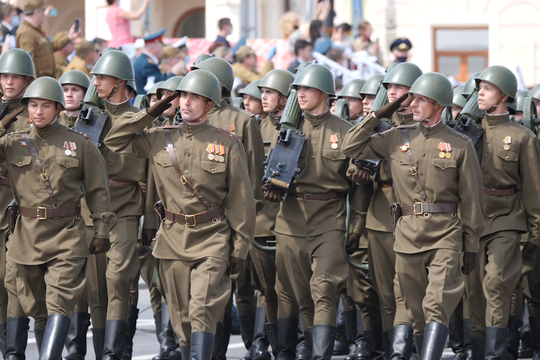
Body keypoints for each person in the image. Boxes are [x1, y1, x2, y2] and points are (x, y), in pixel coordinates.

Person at [104, 68, 255, 360]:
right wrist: (150, 112)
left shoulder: (227, 144)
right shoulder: (160, 137)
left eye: (195, 97)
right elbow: (115, 140)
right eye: (183, 95)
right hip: (172, 239)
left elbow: (241, 200)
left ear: (210, 104)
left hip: (212, 238)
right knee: (182, 317)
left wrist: (240, 247)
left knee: (202, 308)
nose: (186, 102)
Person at [342, 72, 484, 359]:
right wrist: (380, 111)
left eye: (421, 99)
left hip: (445, 233)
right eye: (413, 98)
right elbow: (350, 146)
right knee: (414, 307)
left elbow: (471, 200)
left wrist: (471, 245)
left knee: (437, 303)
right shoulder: (395, 137)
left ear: (439, 105)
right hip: (407, 235)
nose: (413, 104)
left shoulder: (459, 143)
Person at [0, 75, 113, 359]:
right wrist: (3, 120)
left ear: (59, 109)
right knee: (38, 311)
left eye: (46, 105)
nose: (38, 111)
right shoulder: (12, 143)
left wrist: (101, 230)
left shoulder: (81, 144)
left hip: (66, 236)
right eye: (32, 105)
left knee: (60, 304)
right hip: (26, 237)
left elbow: (99, 191)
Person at [263, 64, 364, 360]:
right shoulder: (288, 131)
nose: (301, 95)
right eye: (298, 90)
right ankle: (307, 349)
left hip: (329, 218)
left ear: (324, 94)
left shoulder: (346, 132)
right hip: (291, 218)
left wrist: (356, 226)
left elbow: (359, 187)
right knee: (301, 295)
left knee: (325, 288)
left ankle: (321, 355)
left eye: (307, 89)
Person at [465, 66, 540, 359]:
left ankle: (496, 354)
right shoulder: (466, 132)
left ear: (503, 96)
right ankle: (479, 350)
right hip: (472, 219)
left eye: (487, 89)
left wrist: (535, 232)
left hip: (507, 219)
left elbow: (533, 190)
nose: (480, 93)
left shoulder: (522, 138)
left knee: (496, 284)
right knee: (474, 291)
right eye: (480, 88)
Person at [90, 49, 149, 360]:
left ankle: (115, 352)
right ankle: (103, 351)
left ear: (120, 82)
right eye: (96, 77)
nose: (96, 82)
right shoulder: (89, 117)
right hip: (91, 211)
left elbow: (152, 173)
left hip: (126, 208)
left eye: (102, 77)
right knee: (96, 288)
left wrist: (150, 221)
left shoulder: (141, 118)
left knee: (118, 279)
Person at [252, 69, 295, 359]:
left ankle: (294, 346)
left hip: (291, 221)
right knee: (267, 291)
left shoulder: (299, 129)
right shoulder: (254, 128)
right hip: (259, 222)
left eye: (269, 92)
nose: (262, 97)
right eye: (262, 92)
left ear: (283, 97)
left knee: (291, 291)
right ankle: (275, 347)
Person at [0, 48, 38, 360]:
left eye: (14, 76)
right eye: (4, 76)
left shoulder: (34, 115)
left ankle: (14, 351)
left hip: (18, 203)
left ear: (27, 80)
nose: (8, 82)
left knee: (12, 280)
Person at [16, 0, 78, 78]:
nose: (44, 15)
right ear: (36, 12)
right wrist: (32, 84)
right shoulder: (27, 32)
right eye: (43, 11)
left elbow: (50, 46)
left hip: (44, 78)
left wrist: (69, 37)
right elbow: (28, 62)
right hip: (39, 80)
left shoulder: (34, 30)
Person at [133, 29, 183, 95]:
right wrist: (173, 73)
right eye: (161, 45)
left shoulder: (145, 60)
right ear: (155, 46)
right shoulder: (147, 64)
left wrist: (169, 72)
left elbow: (158, 79)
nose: (163, 48)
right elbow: (159, 87)